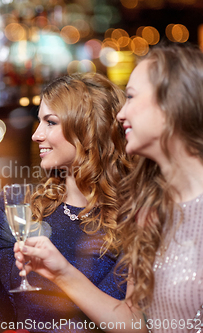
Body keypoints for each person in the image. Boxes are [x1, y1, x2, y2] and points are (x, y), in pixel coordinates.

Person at [14, 44, 203, 333]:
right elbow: (138, 325)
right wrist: (62, 273)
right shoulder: (153, 210)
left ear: (172, 105)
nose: (119, 114)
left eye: (131, 98)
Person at [0, 72, 132, 332]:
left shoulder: (135, 217)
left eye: (50, 122)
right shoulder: (17, 206)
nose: (36, 135)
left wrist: (63, 274)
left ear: (89, 128)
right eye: (39, 122)